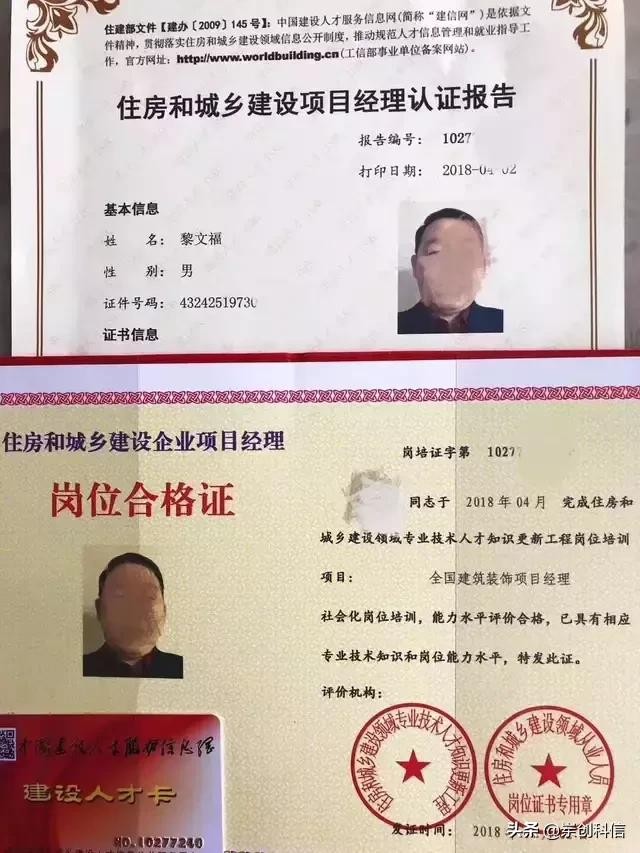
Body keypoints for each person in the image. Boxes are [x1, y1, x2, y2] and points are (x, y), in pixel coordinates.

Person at [398, 208, 503, 334]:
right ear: (415, 266)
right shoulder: (393, 328)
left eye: (466, 252)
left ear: (484, 266)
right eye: (435, 251)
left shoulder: (504, 324)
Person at [83, 552, 183, 679]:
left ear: (164, 610)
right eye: (121, 596)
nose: (135, 608)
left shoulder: (182, 669)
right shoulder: (78, 669)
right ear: (99, 609)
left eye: (149, 596)